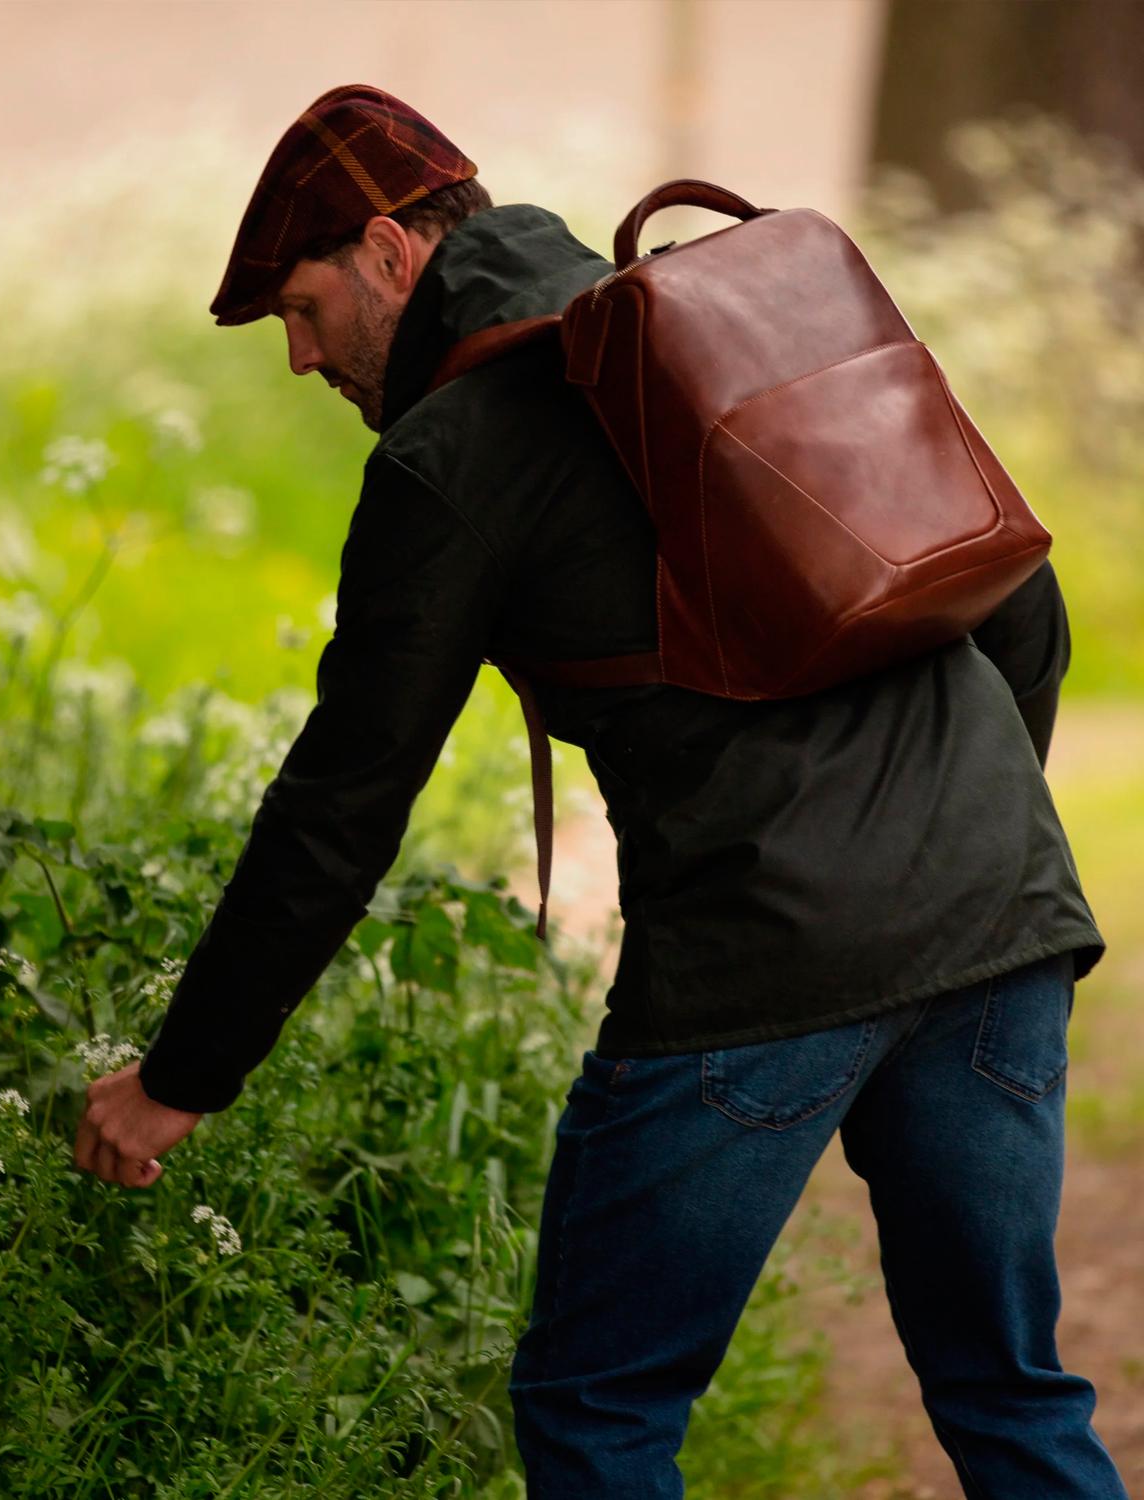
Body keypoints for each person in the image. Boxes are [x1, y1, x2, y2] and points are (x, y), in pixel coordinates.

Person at [74, 85, 1128, 1498]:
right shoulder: (740, 326)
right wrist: (958, 839)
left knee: (599, 1405)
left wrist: (181, 1078)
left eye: (304, 308)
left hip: (763, 955)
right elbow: (1021, 601)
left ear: (393, 252)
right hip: (1003, 915)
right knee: (1008, 1391)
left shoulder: (452, 457)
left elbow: (346, 798)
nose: (297, 357)